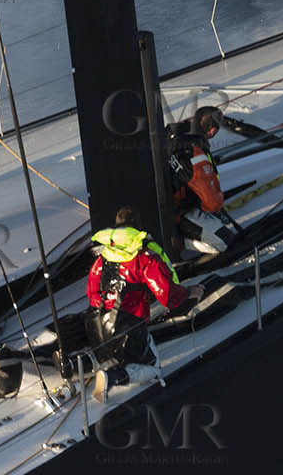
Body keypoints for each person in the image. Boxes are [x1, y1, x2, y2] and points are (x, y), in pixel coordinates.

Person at [85, 206, 205, 400]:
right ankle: (112, 377)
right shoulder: (143, 259)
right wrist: (189, 292)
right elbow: (166, 294)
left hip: (98, 325)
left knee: (115, 353)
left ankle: (95, 367)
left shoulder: (101, 258)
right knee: (153, 369)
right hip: (128, 326)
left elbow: (92, 292)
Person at [168, 106, 245, 255]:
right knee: (224, 240)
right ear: (212, 131)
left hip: (165, 204)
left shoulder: (173, 135)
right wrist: (216, 205)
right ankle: (177, 243)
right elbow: (212, 203)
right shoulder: (197, 156)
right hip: (179, 212)